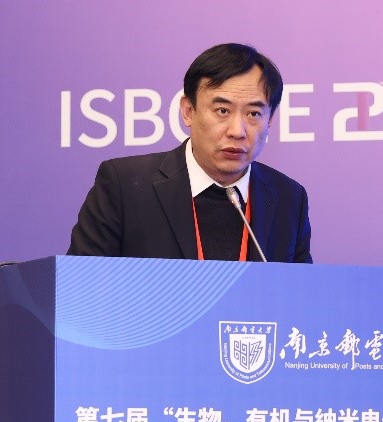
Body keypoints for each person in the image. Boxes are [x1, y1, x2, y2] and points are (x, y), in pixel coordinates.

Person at [67, 43, 312, 263]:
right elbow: (81, 286)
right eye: (222, 111)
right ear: (188, 111)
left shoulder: (289, 198)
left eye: (254, 114)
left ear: (270, 120)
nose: (237, 131)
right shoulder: (124, 186)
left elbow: (301, 294)